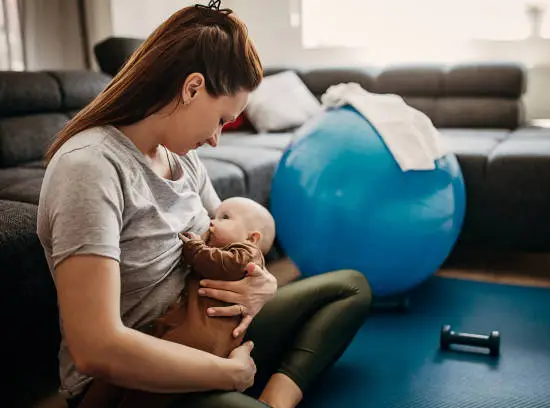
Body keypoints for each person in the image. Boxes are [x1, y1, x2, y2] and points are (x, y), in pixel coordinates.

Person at [37, 3, 372, 408]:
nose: (217, 139)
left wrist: (262, 285)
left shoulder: (181, 156)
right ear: (192, 88)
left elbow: (229, 235)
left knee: (351, 287)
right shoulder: (89, 167)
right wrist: (229, 374)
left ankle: (273, 401)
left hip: (209, 331)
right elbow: (96, 347)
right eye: (220, 121)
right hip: (133, 380)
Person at [78, 196, 276, 408]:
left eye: (224, 218)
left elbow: (221, 263)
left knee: (149, 388)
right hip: (189, 326)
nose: (212, 222)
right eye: (213, 216)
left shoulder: (245, 253)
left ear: (252, 237)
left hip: (202, 336)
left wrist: (195, 248)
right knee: (129, 378)